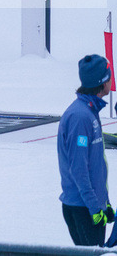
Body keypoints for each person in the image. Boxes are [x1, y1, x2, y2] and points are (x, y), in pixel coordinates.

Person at [58, 54, 113, 247]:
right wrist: (93, 206)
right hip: (82, 208)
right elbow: (79, 169)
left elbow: (94, 165)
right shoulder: (80, 117)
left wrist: (103, 202)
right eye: (109, 74)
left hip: (90, 205)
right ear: (102, 82)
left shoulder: (90, 110)